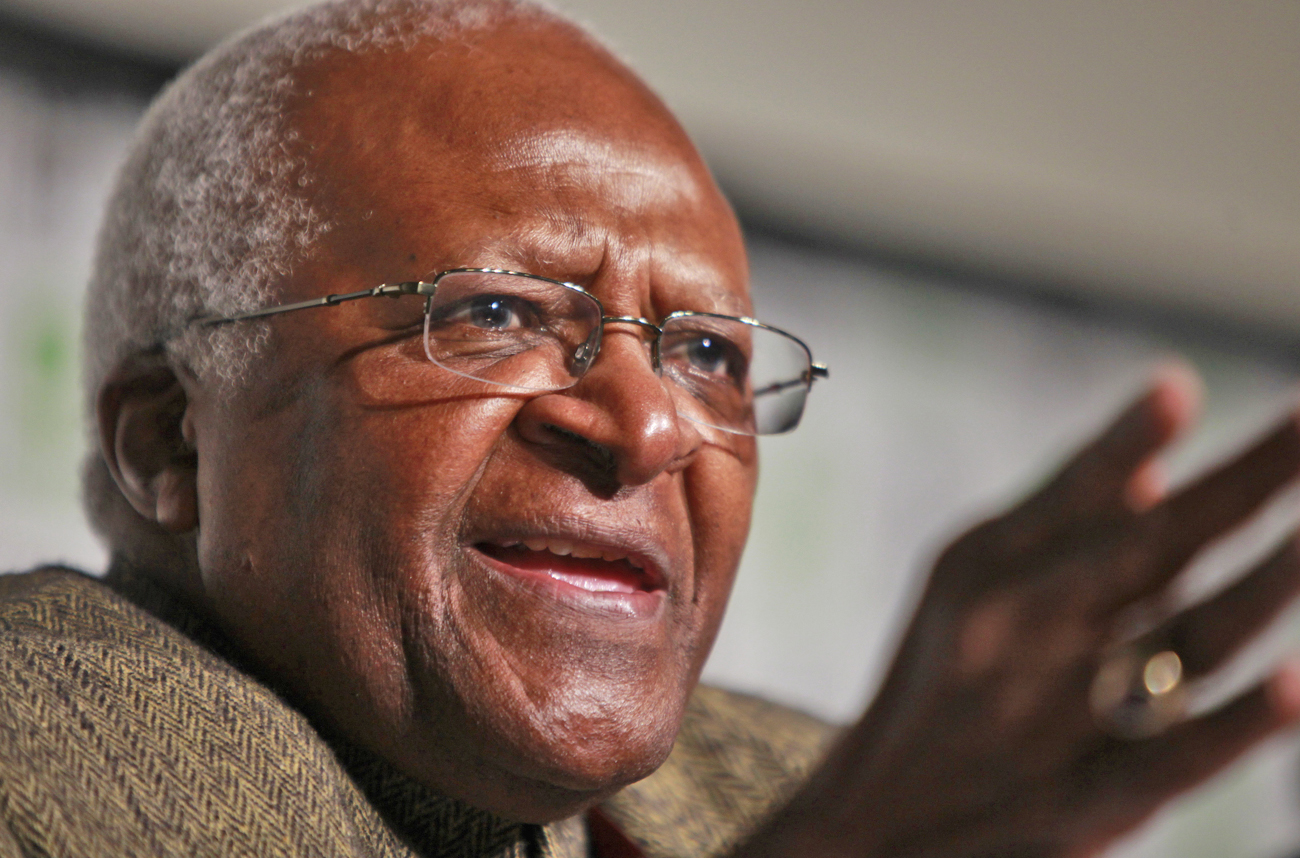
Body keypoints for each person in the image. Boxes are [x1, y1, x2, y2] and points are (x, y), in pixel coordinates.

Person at [3, 0, 1300, 855]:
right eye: (499, 311)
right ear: (171, 442)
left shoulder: (801, 783)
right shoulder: (45, 738)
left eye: (707, 354)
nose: (645, 422)